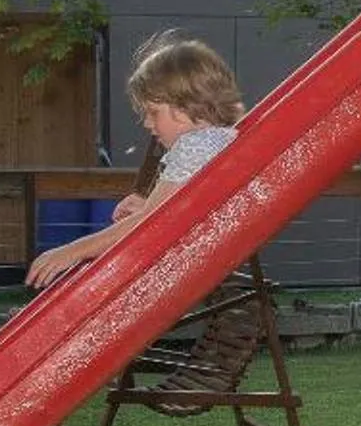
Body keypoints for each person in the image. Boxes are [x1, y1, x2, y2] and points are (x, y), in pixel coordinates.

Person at [27, 33, 244, 288]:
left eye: (153, 112)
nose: (147, 123)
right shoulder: (216, 142)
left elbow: (150, 224)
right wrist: (145, 207)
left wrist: (72, 250)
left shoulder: (195, 145)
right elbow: (172, 212)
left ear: (189, 104)